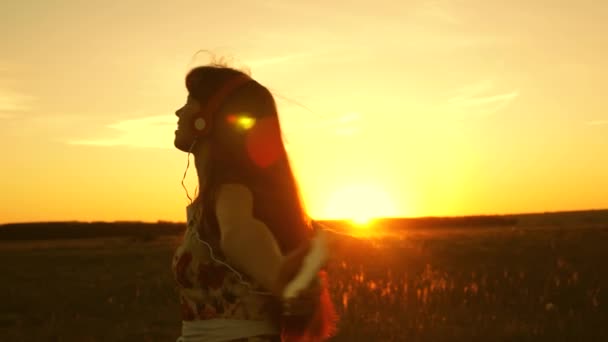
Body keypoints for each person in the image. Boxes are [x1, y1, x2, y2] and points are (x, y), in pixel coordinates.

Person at [171, 63, 338, 342]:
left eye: (189, 102)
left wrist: (282, 281)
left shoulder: (230, 191)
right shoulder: (215, 198)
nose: (179, 112)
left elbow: (239, 234)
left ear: (208, 118)